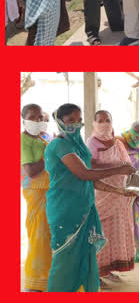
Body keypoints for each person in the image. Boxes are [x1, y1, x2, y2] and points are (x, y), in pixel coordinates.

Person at [44, 104, 137, 292]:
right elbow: (84, 173)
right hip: (66, 210)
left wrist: (119, 191)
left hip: (85, 206)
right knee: (65, 260)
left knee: (85, 255)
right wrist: (120, 169)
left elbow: (90, 181)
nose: (76, 124)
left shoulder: (77, 145)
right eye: (70, 120)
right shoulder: (59, 144)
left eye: (78, 120)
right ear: (59, 122)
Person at [85, 111, 136, 287]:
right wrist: (117, 168)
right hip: (102, 194)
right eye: (100, 120)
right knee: (99, 233)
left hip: (120, 195)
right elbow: (90, 166)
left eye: (108, 120)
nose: (105, 124)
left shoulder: (117, 143)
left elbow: (127, 164)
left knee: (116, 233)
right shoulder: (91, 142)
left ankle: (109, 269)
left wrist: (130, 179)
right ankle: (95, 273)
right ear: (93, 123)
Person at [21, 103, 52, 291]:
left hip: (48, 192)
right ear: (23, 119)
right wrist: (50, 155)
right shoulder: (23, 140)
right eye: (32, 117)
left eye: (40, 117)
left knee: (47, 237)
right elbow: (31, 171)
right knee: (39, 237)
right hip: (36, 192)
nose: (37, 121)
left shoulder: (41, 139)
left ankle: (45, 278)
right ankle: (34, 282)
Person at [116, 121, 139, 263]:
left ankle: (136, 250)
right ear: (130, 130)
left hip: (134, 189)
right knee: (120, 221)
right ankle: (121, 252)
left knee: (133, 220)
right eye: (137, 132)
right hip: (117, 190)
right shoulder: (119, 142)